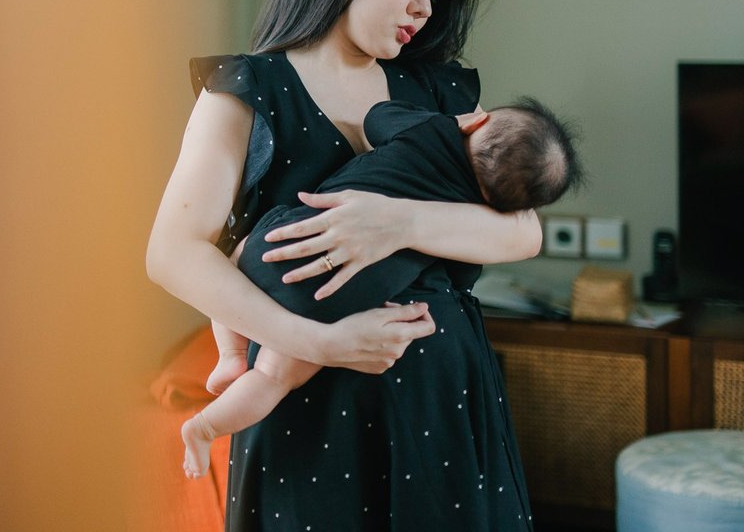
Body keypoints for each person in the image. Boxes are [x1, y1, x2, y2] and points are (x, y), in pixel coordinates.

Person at [146, 0, 545, 530]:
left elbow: (523, 232)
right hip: (307, 415)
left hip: (443, 400)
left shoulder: (438, 93)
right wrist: (314, 341)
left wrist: (394, 223)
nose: (424, 3)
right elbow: (171, 253)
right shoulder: (248, 89)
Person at [181, 95, 582, 479]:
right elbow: (464, 275)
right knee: (272, 377)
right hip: (336, 301)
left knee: (233, 260)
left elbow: (378, 117)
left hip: (287, 243)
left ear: (476, 121)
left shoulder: (429, 132)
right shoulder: (469, 216)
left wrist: (441, 122)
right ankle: (203, 427)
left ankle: (231, 353)